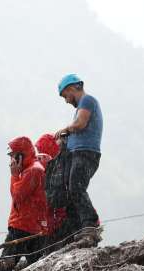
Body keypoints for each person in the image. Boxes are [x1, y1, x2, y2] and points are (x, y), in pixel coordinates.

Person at [54, 74, 102, 235]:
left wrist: (65, 130)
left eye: (66, 96)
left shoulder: (87, 100)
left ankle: (90, 223)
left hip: (86, 153)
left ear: (72, 88)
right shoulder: (83, 104)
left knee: (76, 187)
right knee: (71, 191)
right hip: (78, 153)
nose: (67, 100)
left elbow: (80, 124)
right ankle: (77, 228)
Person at [2, 136, 49, 271]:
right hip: (34, 227)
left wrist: (14, 176)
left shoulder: (32, 171)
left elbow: (17, 196)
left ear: (21, 155)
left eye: (13, 156)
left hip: (22, 226)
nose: (11, 161)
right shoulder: (33, 168)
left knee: (5, 264)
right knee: (35, 266)